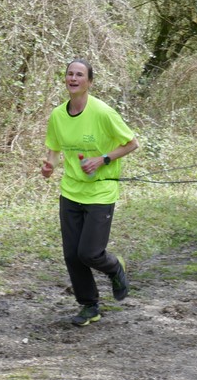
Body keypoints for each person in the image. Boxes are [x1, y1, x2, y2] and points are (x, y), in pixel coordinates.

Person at [41, 59, 140, 326]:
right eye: (70, 74)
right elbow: (54, 145)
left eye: (79, 75)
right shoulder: (58, 115)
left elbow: (131, 143)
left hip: (101, 192)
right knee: (72, 255)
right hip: (71, 191)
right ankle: (89, 306)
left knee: (90, 253)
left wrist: (103, 159)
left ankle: (114, 267)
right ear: (65, 79)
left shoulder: (103, 112)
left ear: (89, 82)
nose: (73, 78)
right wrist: (50, 164)